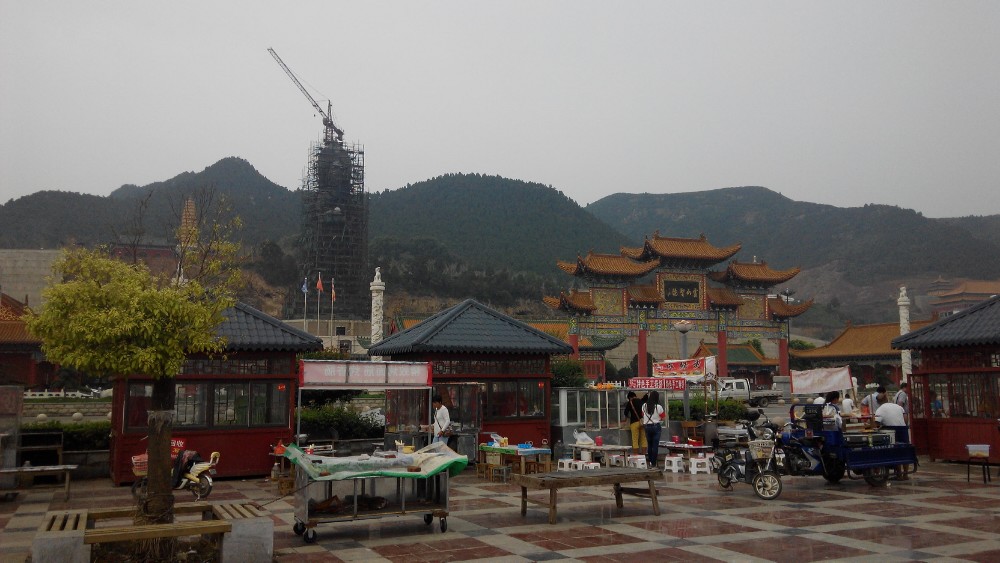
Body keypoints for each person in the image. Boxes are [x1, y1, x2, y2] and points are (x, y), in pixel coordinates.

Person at [874, 401, 909, 479]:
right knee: (905, 450)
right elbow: (905, 417)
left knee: (895, 451)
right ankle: (906, 474)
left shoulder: (880, 409)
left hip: (892, 430)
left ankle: (899, 474)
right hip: (903, 429)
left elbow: (876, 423)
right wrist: (904, 426)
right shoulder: (898, 407)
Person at [641, 390, 665, 468]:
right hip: (656, 427)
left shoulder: (644, 406)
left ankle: (650, 462)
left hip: (647, 427)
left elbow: (642, 415)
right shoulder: (658, 407)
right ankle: (653, 463)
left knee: (649, 445)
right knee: (655, 445)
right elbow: (663, 417)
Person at [624, 391, 647, 456]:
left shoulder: (630, 402)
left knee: (635, 439)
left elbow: (625, 412)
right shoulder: (641, 402)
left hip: (634, 422)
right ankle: (644, 454)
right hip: (642, 422)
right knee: (643, 438)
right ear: (635, 396)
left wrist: (629, 417)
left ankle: (636, 455)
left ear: (630, 397)